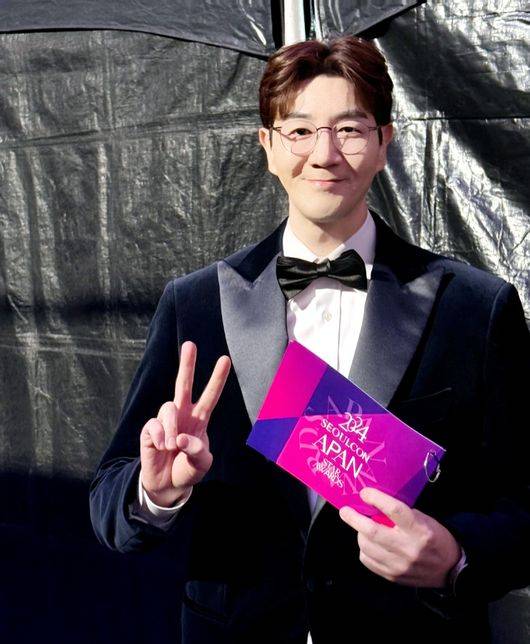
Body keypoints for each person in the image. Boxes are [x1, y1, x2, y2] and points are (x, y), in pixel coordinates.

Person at [89, 36, 530, 643]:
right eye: (299, 131)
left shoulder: (474, 308)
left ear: (384, 142)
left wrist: (456, 555)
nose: (325, 155)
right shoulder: (195, 305)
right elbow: (109, 505)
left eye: (349, 129)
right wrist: (154, 491)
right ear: (267, 146)